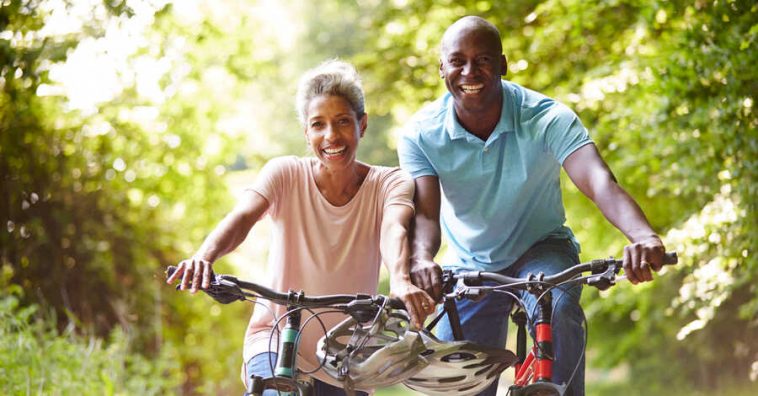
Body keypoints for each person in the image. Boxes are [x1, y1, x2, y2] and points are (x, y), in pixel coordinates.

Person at [397, 16, 667, 396]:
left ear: (503, 65)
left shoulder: (546, 117)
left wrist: (643, 235)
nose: (470, 71)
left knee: (557, 308)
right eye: (457, 61)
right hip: (469, 261)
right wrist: (422, 258)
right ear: (442, 68)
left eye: (484, 60)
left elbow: (599, 182)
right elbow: (425, 213)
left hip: (542, 249)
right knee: (453, 378)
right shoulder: (420, 133)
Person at [167, 60, 435, 395]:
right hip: (276, 336)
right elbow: (242, 218)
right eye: (318, 125)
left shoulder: (389, 183)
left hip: (349, 356)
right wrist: (204, 257)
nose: (331, 136)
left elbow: (393, 229)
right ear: (306, 133)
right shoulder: (285, 174)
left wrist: (400, 280)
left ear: (362, 125)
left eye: (342, 122)